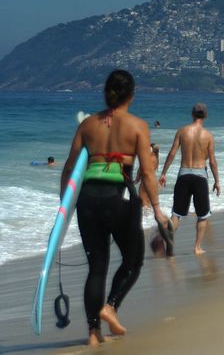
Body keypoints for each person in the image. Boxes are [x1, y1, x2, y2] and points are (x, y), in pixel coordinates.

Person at [60, 70, 169, 347]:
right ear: (131, 94)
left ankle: (93, 332)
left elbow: (70, 168)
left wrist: (64, 208)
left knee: (96, 266)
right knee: (133, 261)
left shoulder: (87, 126)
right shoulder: (137, 126)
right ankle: (110, 306)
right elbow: (146, 172)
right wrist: (156, 208)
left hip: (87, 199)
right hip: (118, 197)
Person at [159, 102, 220, 255]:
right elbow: (212, 161)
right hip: (200, 175)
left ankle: (168, 245)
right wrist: (217, 181)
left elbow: (172, 153)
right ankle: (197, 247)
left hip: (184, 174)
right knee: (202, 215)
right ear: (205, 115)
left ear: (192, 114)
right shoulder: (208, 136)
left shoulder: (182, 131)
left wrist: (163, 173)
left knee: (176, 214)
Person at [135, 143, 160, 208]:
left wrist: (137, 179)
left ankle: (146, 217)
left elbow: (141, 169)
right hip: (154, 181)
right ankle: (150, 217)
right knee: (148, 202)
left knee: (143, 200)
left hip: (146, 180)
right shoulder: (156, 159)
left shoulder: (148, 159)